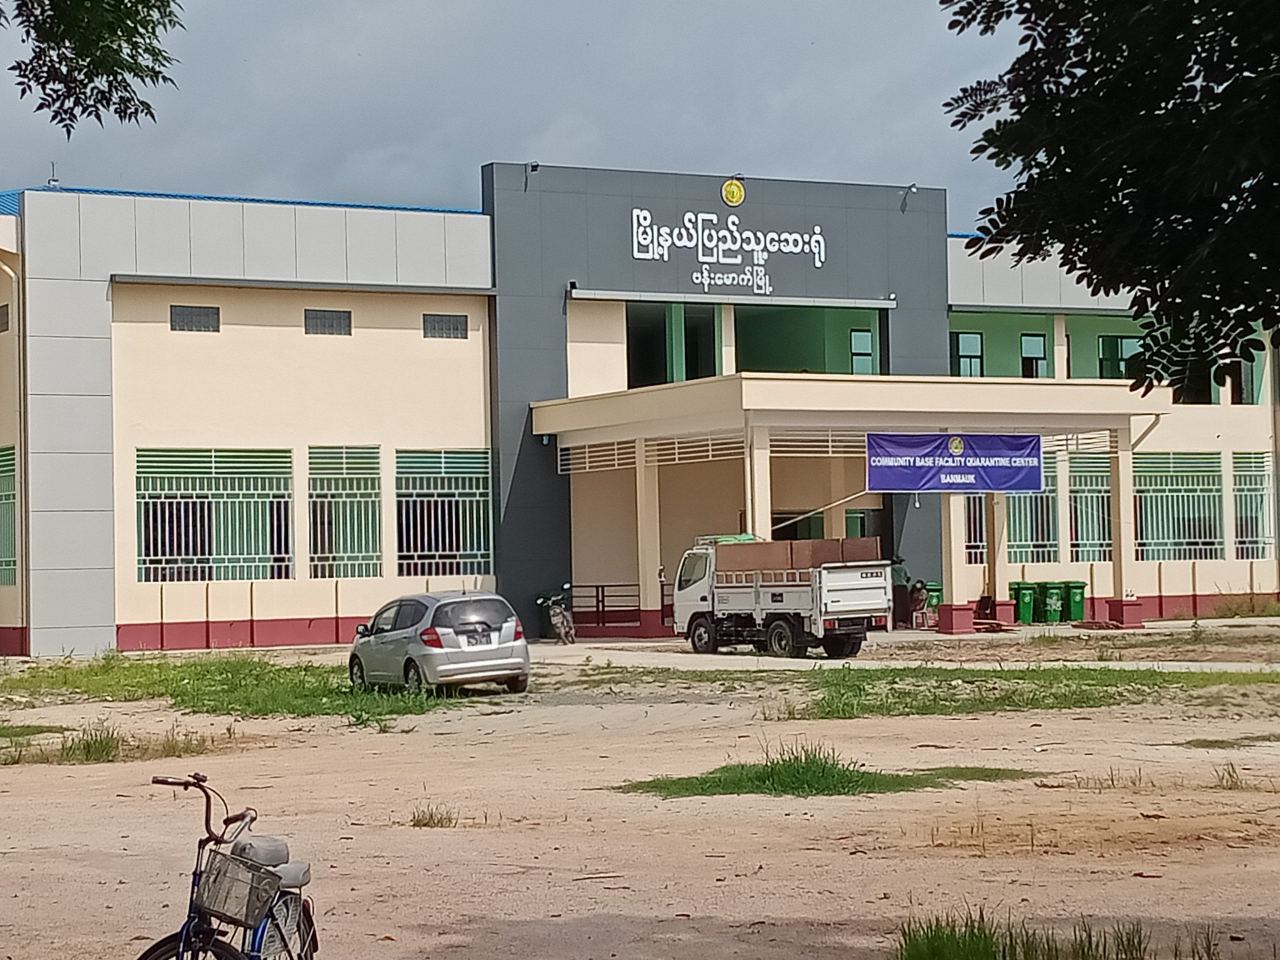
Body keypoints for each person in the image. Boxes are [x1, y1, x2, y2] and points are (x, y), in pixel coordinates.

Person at [890, 556, 911, 627]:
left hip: (895, 587)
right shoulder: (904, 568)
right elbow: (908, 577)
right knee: (905, 604)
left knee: (896, 604)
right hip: (903, 587)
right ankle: (907, 621)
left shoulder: (891, 568)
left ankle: (896, 622)